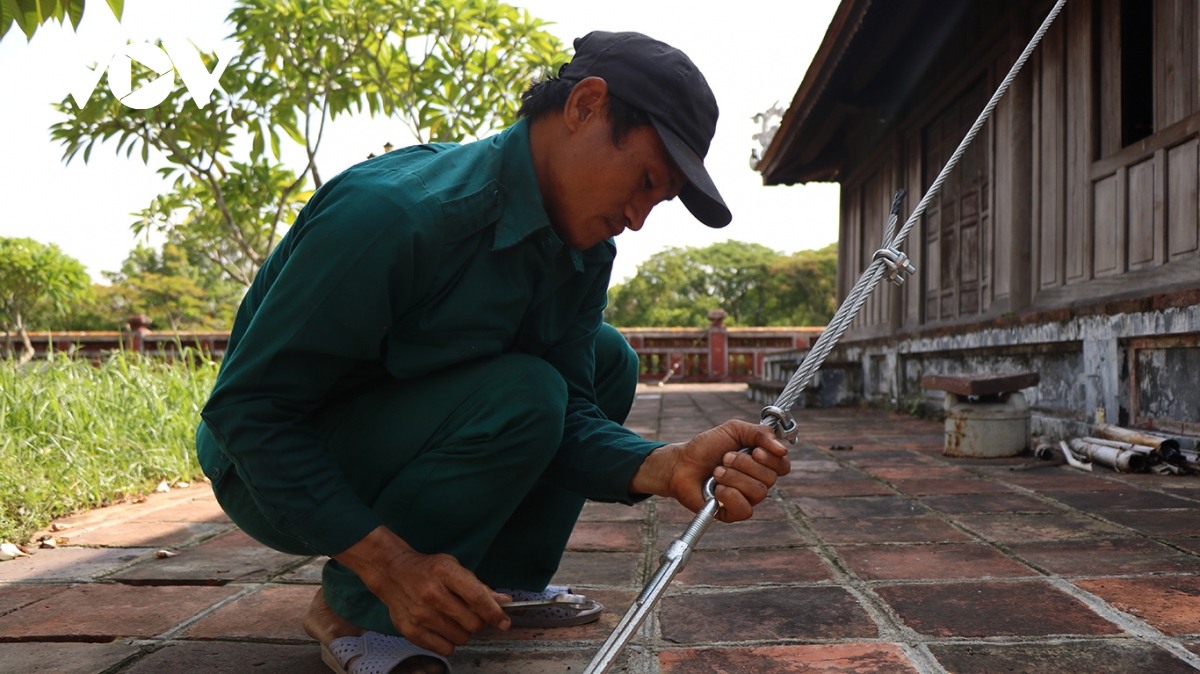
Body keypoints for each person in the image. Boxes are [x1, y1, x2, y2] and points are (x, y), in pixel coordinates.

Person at [196, 30, 791, 674]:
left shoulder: (585, 254)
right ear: (585, 106)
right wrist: (389, 564)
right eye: (644, 180)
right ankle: (354, 609)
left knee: (606, 357)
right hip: (264, 472)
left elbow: (571, 415)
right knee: (524, 392)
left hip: (391, 437)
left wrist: (664, 463)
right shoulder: (395, 215)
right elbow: (250, 413)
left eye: (659, 199)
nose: (639, 216)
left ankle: (494, 586)